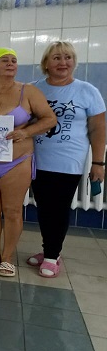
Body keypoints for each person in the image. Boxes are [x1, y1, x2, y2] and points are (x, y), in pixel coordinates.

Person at [0, 48, 56, 277]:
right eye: (4, 60)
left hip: (17, 161)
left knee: (12, 210)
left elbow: (50, 119)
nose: (11, 63)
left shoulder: (28, 92)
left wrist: (26, 132)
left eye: (14, 60)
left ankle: (7, 257)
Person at [28, 42, 106, 278]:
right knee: (44, 208)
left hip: (68, 162)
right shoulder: (34, 89)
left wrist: (98, 163)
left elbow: (98, 129)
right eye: (57, 58)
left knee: (59, 209)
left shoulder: (87, 91)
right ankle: (48, 249)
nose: (63, 62)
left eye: (68, 57)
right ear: (46, 63)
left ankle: (52, 256)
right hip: (36, 160)